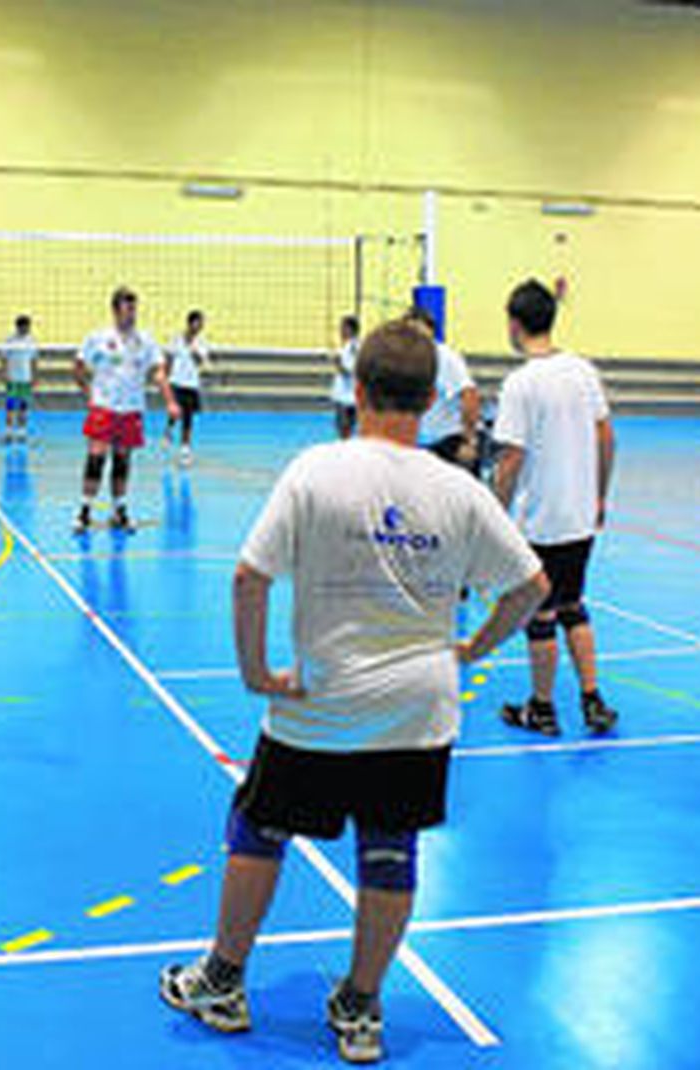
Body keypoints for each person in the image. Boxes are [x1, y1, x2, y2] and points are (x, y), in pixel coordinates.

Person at [159, 321, 548, 1065]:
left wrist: (256, 675)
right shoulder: (459, 490)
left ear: (358, 390)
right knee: (390, 848)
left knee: (258, 828)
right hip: (418, 713)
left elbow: (248, 578)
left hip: (321, 704)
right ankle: (361, 1008)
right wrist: (472, 648)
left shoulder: (316, 471)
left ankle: (222, 982)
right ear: (431, 399)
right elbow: (532, 586)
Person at [491, 279, 618, 737]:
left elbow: (511, 458)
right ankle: (592, 700)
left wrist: (494, 514)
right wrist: (599, 494)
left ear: (515, 323)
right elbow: (606, 436)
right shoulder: (583, 371)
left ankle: (542, 709)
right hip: (579, 516)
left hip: (540, 519)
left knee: (540, 614)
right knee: (573, 605)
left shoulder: (520, 384)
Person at [72, 286, 178, 534]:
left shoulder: (145, 341)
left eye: (134, 309)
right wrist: (89, 394)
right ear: (115, 310)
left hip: (131, 410)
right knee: (96, 460)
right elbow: (78, 366)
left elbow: (158, 372)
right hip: (104, 408)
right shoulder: (98, 338)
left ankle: (119, 510)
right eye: (127, 309)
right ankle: (84, 511)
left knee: (122, 462)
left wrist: (170, 401)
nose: (131, 315)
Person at [406, 306, 480, 476]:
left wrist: (469, 441)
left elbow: (470, 396)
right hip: (419, 444)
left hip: (446, 442)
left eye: (419, 331)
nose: (415, 337)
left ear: (431, 331)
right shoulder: (406, 359)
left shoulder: (445, 357)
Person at [164, 309, 211, 466]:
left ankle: (185, 449)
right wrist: (166, 377)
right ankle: (169, 429)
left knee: (188, 417)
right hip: (176, 382)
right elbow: (169, 358)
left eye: (202, 324)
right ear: (190, 323)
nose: (200, 326)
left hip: (191, 384)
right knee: (176, 412)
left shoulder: (202, 342)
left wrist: (194, 350)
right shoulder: (176, 339)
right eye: (198, 323)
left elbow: (201, 361)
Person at [1, 313, 37, 444]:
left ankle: (22, 433)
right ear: (19, 327)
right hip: (12, 378)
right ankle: (9, 432)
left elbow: (33, 360)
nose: (27, 329)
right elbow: (4, 358)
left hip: (25, 379)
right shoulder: (10, 341)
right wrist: (4, 374)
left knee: (23, 406)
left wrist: (34, 376)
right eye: (25, 326)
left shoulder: (31, 341)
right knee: (10, 406)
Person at [330, 315, 361, 439]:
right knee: (344, 429)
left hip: (347, 396)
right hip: (346, 395)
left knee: (344, 429)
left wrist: (337, 363)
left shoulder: (353, 347)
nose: (340, 331)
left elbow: (350, 372)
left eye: (343, 327)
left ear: (350, 329)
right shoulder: (347, 346)